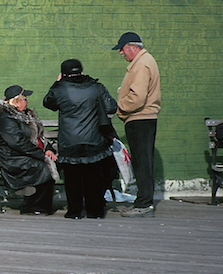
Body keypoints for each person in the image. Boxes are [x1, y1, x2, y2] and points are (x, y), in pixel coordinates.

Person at [43, 59, 119, 219]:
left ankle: (74, 211)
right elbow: (111, 106)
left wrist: (57, 83)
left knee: (72, 178)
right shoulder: (96, 87)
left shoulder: (60, 88)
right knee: (94, 177)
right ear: (81, 71)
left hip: (70, 142)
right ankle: (95, 211)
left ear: (63, 74)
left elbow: (48, 103)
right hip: (94, 140)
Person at [112, 32, 161, 218]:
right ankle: (144, 201)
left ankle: (143, 204)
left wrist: (121, 108)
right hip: (143, 118)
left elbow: (138, 97)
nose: (121, 53)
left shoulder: (141, 64)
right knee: (143, 161)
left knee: (141, 162)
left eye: (123, 49)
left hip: (139, 118)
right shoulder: (145, 61)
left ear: (133, 47)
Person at [0, 85, 60, 216]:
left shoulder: (28, 115)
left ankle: (41, 205)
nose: (27, 101)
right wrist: (42, 155)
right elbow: (17, 143)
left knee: (59, 162)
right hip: (13, 158)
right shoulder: (6, 119)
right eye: (24, 98)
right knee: (41, 167)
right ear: (16, 101)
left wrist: (48, 150)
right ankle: (31, 206)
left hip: (28, 154)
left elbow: (40, 137)